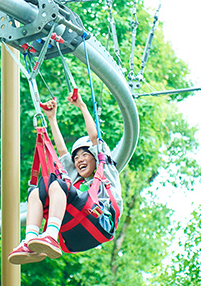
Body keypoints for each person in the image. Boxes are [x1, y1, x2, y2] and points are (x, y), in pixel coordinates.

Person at [8, 90, 122, 265]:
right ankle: (30, 240)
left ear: (94, 155)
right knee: (36, 192)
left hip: (98, 219)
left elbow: (94, 138)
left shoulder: (105, 169)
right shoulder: (77, 178)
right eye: (76, 158)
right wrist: (51, 119)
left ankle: (51, 235)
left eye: (84, 155)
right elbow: (62, 152)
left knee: (58, 185)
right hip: (75, 228)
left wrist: (82, 106)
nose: (79, 160)